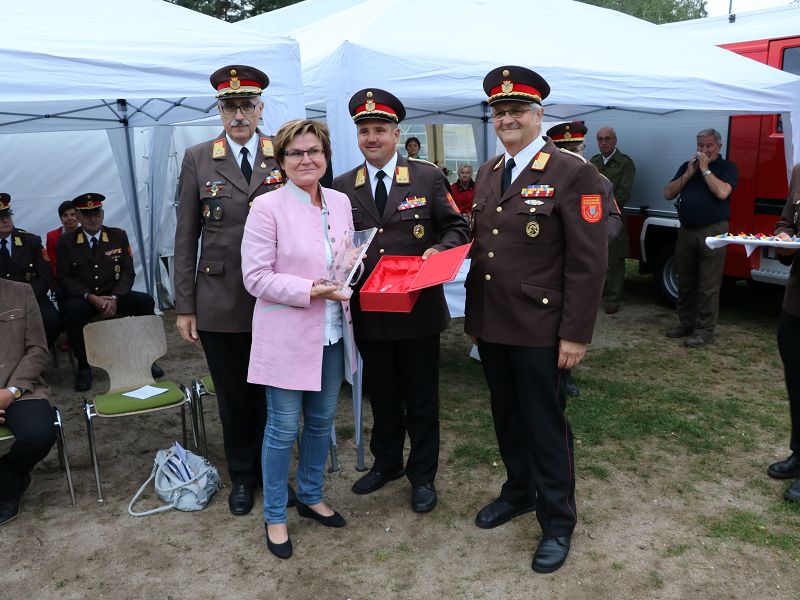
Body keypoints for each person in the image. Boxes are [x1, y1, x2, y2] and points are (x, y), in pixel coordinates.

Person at [465, 66, 608, 573]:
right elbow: (485, 245)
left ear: (538, 114)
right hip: (493, 322)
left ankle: (558, 520)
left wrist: (574, 333)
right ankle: (518, 490)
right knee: (506, 418)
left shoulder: (573, 173)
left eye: (517, 110)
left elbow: (588, 263)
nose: (507, 118)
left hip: (541, 328)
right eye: (500, 112)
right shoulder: (488, 171)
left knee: (545, 425)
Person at [332, 88, 468, 513]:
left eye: (379, 130)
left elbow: (457, 228)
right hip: (369, 312)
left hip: (417, 311)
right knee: (383, 395)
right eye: (364, 131)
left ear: (396, 133)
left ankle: (422, 475)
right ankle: (387, 462)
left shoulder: (427, 177)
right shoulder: (340, 187)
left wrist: (437, 251)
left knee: (422, 399)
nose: (372, 138)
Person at [173, 65, 286, 517]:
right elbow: (185, 235)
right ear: (219, 110)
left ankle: (275, 474)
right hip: (219, 297)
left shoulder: (285, 151)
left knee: (276, 394)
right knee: (234, 394)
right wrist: (185, 305)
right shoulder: (198, 158)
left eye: (247, 105)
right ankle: (244, 477)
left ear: (261, 108)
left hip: (276, 294)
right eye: (229, 106)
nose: (239, 114)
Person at [242, 119, 355, 559]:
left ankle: (310, 493)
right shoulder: (266, 207)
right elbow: (256, 277)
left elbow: (343, 256)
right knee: (283, 427)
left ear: (326, 155)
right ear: (282, 161)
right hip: (288, 332)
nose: (307, 159)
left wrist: (347, 273)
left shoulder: (342, 202)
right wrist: (312, 290)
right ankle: (275, 514)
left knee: (323, 422)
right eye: (296, 153)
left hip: (331, 329)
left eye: (315, 151)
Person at [546, 122, 623, 398]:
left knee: (573, 318)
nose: (573, 154)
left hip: (581, 266)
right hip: (551, 266)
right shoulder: (543, 179)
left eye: (576, 148)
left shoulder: (600, 181)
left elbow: (614, 217)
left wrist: (596, 240)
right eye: (566, 149)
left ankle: (565, 375)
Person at [56, 193, 159, 391]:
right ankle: (84, 366)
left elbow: (128, 272)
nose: (93, 219)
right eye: (87, 215)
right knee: (71, 311)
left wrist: (115, 297)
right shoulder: (66, 241)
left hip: (114, 295)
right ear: (78, 217)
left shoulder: (117, 235)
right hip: (86, 298)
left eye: (96, 213)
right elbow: (64, 277)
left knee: (145, 302)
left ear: (102, 214)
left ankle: (148, 358)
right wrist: (91, 297)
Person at [663, 128, 738, 348]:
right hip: (687, 230)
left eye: (709, 146)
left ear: (719, 147)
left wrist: (705, 170)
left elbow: (723, 192)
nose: (704, 150)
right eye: (700, 146)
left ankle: (704, 330)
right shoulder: (688, 167)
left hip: (713, 231)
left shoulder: (727, 168)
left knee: (708, 284)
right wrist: (688, 173)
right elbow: (668, 193)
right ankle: (685, 323)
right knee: (684, 279)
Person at [0, 279, 56, 526]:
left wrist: (10, 392)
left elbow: (38, 350)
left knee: (39, 434)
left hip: (21, 386)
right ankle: (10, 486)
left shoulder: (20, 292)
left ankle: (8, 477)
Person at [768, 163, 800, 501]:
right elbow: (786, 220)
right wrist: (784, 237)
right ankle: (798, 453)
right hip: (796, 302)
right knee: (796, 380)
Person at [0, 195, 60, 348]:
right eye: (0, 217)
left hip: (32, 297)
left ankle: (34, 359)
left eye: (7, 215)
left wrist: (25, 297)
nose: (5, 220)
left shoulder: (31, 240)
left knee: (52, 321)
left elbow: (46, 276)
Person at [590, 127, 636, 314]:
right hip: (592, 217)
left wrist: (603, 210)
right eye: (600, 139)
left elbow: (624, 193)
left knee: (615, 259)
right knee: (595, 256)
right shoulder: (592, 162)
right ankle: (597, 294)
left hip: (614, 217)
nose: (604, 143)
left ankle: (614, 297)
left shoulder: (625, 163)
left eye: (607, 139)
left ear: (615, 140)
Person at [46, 200, 80, 281]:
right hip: (61, 279)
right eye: (65, 215)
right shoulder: (52, 236)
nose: (69, 218)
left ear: (79, 217)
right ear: (61, 219)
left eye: (72, 214)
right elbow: (53, 264)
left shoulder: (87, 233)